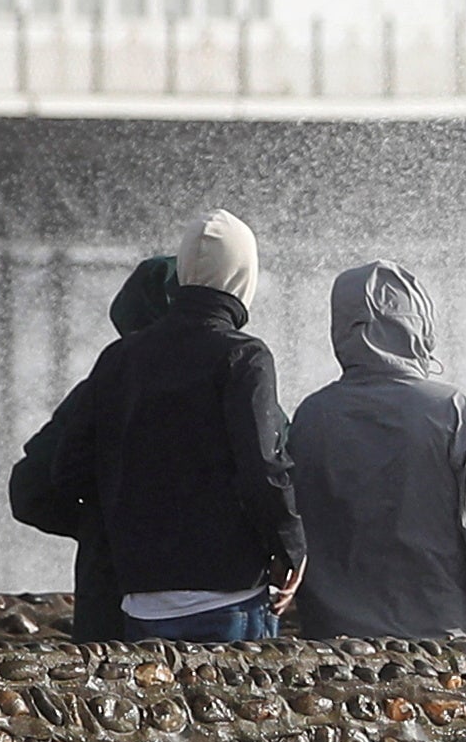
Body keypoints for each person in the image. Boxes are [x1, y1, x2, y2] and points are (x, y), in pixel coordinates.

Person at [74, 209, 306, 644]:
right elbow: (262, 464)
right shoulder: (244, 356)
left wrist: (125, 528)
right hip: (228, 596)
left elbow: (69, 467)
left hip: (141, 600)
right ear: (244, 276)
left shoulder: (120, 358)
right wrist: (291, 546)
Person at [284, 263, 466, 641]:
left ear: (341, 327)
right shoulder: (455, 410)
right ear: (418, 322)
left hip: (332, 639)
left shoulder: (311, 416)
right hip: (440, 635)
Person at [4, 251, 183, 641]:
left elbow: (29, 490)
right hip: (217, 604)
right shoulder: (234, 376)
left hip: (110, 603)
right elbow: (275, 472)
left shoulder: (101, 388)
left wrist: (101, 523)